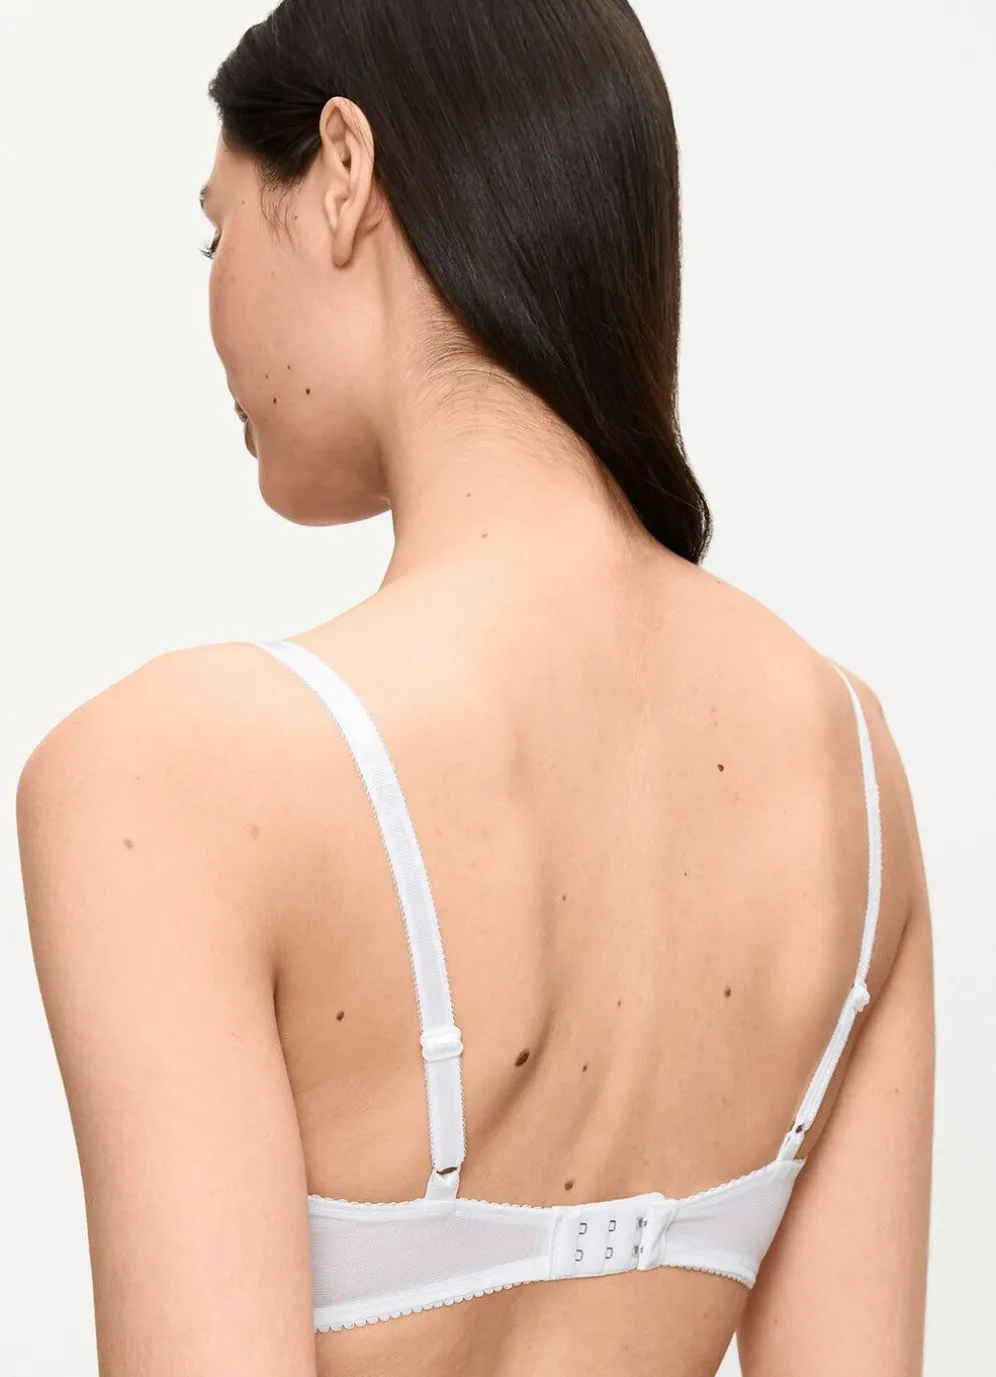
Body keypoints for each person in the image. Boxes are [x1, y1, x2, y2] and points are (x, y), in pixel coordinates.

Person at [15, 2, 934, 1375]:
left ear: (344, 171)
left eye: (215, 232)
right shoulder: (850, 770)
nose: (210, 305)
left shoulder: (169, 778)